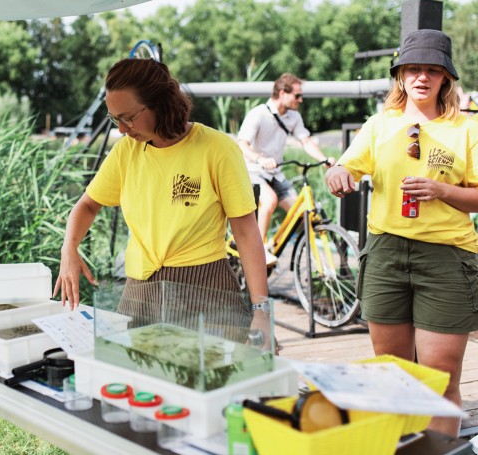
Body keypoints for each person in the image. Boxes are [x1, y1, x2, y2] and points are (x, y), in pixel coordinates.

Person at [53, 58, 274, 348]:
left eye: (128, 117)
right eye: (114, 119)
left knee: (202, 384)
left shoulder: (218, 149)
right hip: (139, 294)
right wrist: (69, 247)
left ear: (160, 103)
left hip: (205, 290)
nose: (121, 129)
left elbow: (246, 233)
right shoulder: (125, 152)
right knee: (133, 382)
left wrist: (262, 312)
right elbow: (86, 206)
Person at [325, 29, 478, 436]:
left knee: (441, 379)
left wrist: (443, 191)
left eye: (432, 69)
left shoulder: (467, 129)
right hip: (386, 254)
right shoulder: (380, 124)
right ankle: (399, 445)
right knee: (392, 375)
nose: (422, 77)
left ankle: (438, 449)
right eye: (413, 69)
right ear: (401, 75)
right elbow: (346, 167)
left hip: (447, 258)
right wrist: (338, 173)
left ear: (446, 77)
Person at [237, 73, 334, 263]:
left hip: (275, 172)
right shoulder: (258, 114)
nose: (301, 100)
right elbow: (242, 144)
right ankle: (259, 249)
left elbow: (305, 141)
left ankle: (272, 243)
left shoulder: (293, 116)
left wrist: (324, 159)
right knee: (270, 200)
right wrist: (260, 159)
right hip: (253, 171)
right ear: (282, 93)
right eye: (297, 96)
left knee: (302, 214)